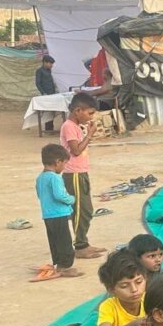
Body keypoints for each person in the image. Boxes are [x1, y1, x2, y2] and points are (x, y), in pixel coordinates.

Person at [61, 92, 105, 259]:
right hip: (73, 174)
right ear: (78, 111)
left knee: (87, 209)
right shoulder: (69, 126)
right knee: (80, 210)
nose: (91, 117)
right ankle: (80, 246)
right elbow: (76, 150)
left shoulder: (76, 126)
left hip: (81, 173)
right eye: (90, 113)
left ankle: (84, 242)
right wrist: (90, 134)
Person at [34, 144, 81, 280]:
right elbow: (60, 195)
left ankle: (58, 263)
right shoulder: (55, 177)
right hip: (58, 214)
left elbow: (40, 194)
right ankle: (65, 266)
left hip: (47, 215)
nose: (64, 167)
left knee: (54, 240)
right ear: (57, 162)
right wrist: (71, 199)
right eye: (64, 163)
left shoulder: (40, 178)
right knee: (64, 241)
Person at [36, 55, 56, 132]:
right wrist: (43, 92)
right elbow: (38, 83)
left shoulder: (49, 70)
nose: (51, 65)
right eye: (50, 63)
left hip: (52, 93)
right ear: (45, 62)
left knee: (52, 111)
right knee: (47, 112)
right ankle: (48, 129)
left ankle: (51, 128)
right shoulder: (39, 71)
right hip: (46, 94)